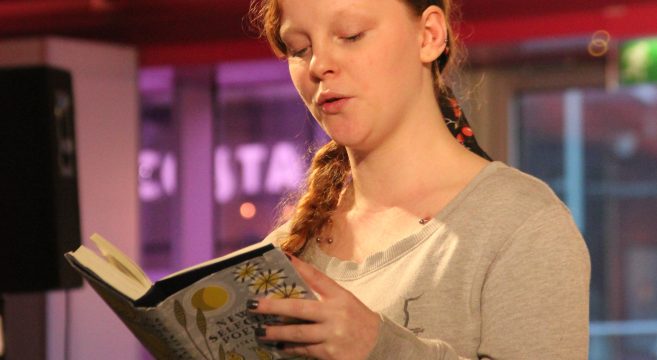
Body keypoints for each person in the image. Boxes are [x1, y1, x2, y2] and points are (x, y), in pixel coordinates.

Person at [246, 0, 591, 359]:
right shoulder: (281, 257)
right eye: (299, 50)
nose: (319, 65)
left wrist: (378, 346)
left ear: (429, 36)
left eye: (351, 35)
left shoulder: (521, 224)